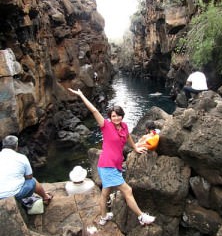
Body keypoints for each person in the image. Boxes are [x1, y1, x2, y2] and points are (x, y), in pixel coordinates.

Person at [68, 88, 155, 226]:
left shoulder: (124, 126)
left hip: (116, 164)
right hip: (107, 165)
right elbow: (95, 111)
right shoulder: (106, 126)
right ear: (110, 117)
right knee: (128, 190)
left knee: (105, 193)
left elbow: (128, 137)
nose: (116, 118)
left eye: (118, 115)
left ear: (122, 115)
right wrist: (81, 95)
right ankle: (141, 216)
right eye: (113, 116)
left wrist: (135, 147)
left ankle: (103, 217)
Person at [0, 135, 53, 204]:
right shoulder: (21, 157)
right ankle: (45, 197)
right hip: (14, 196)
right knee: (32, 181)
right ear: (16, 146)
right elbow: (29, 177)